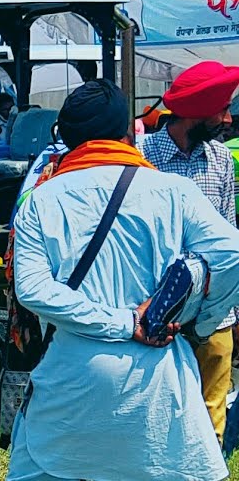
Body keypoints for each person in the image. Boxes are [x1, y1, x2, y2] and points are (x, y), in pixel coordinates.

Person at [7, 79, 239, 481]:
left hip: (68, 384)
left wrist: (121, 323)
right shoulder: (173, 191)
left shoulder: (41, 199)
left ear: (67, 137)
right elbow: (232, 252)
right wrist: (197, 318)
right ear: (129, 132)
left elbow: (31, 289)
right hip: (157, 386)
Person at [137, 60, 239, 446]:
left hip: (216, 314)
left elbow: (231, 236)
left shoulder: (220, 161)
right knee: (158, 410)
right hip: (160, 312)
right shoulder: (144, 158)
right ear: (196, 110)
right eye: (221, 109)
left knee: (212, 413)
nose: (228, 120)